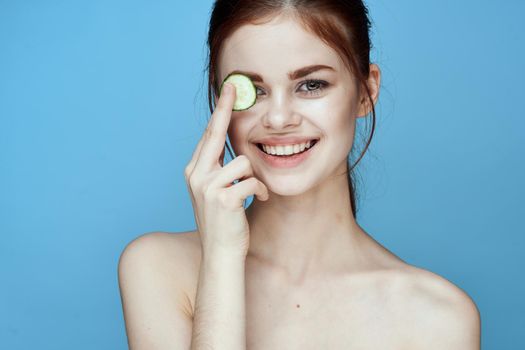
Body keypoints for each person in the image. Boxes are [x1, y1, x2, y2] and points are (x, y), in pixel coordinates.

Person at [118, 1, 481, 349]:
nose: (278, 119)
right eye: (253, 90)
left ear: (365, 92)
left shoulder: (439, 318)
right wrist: (222, 258)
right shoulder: (158, 268)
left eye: (311, 85)